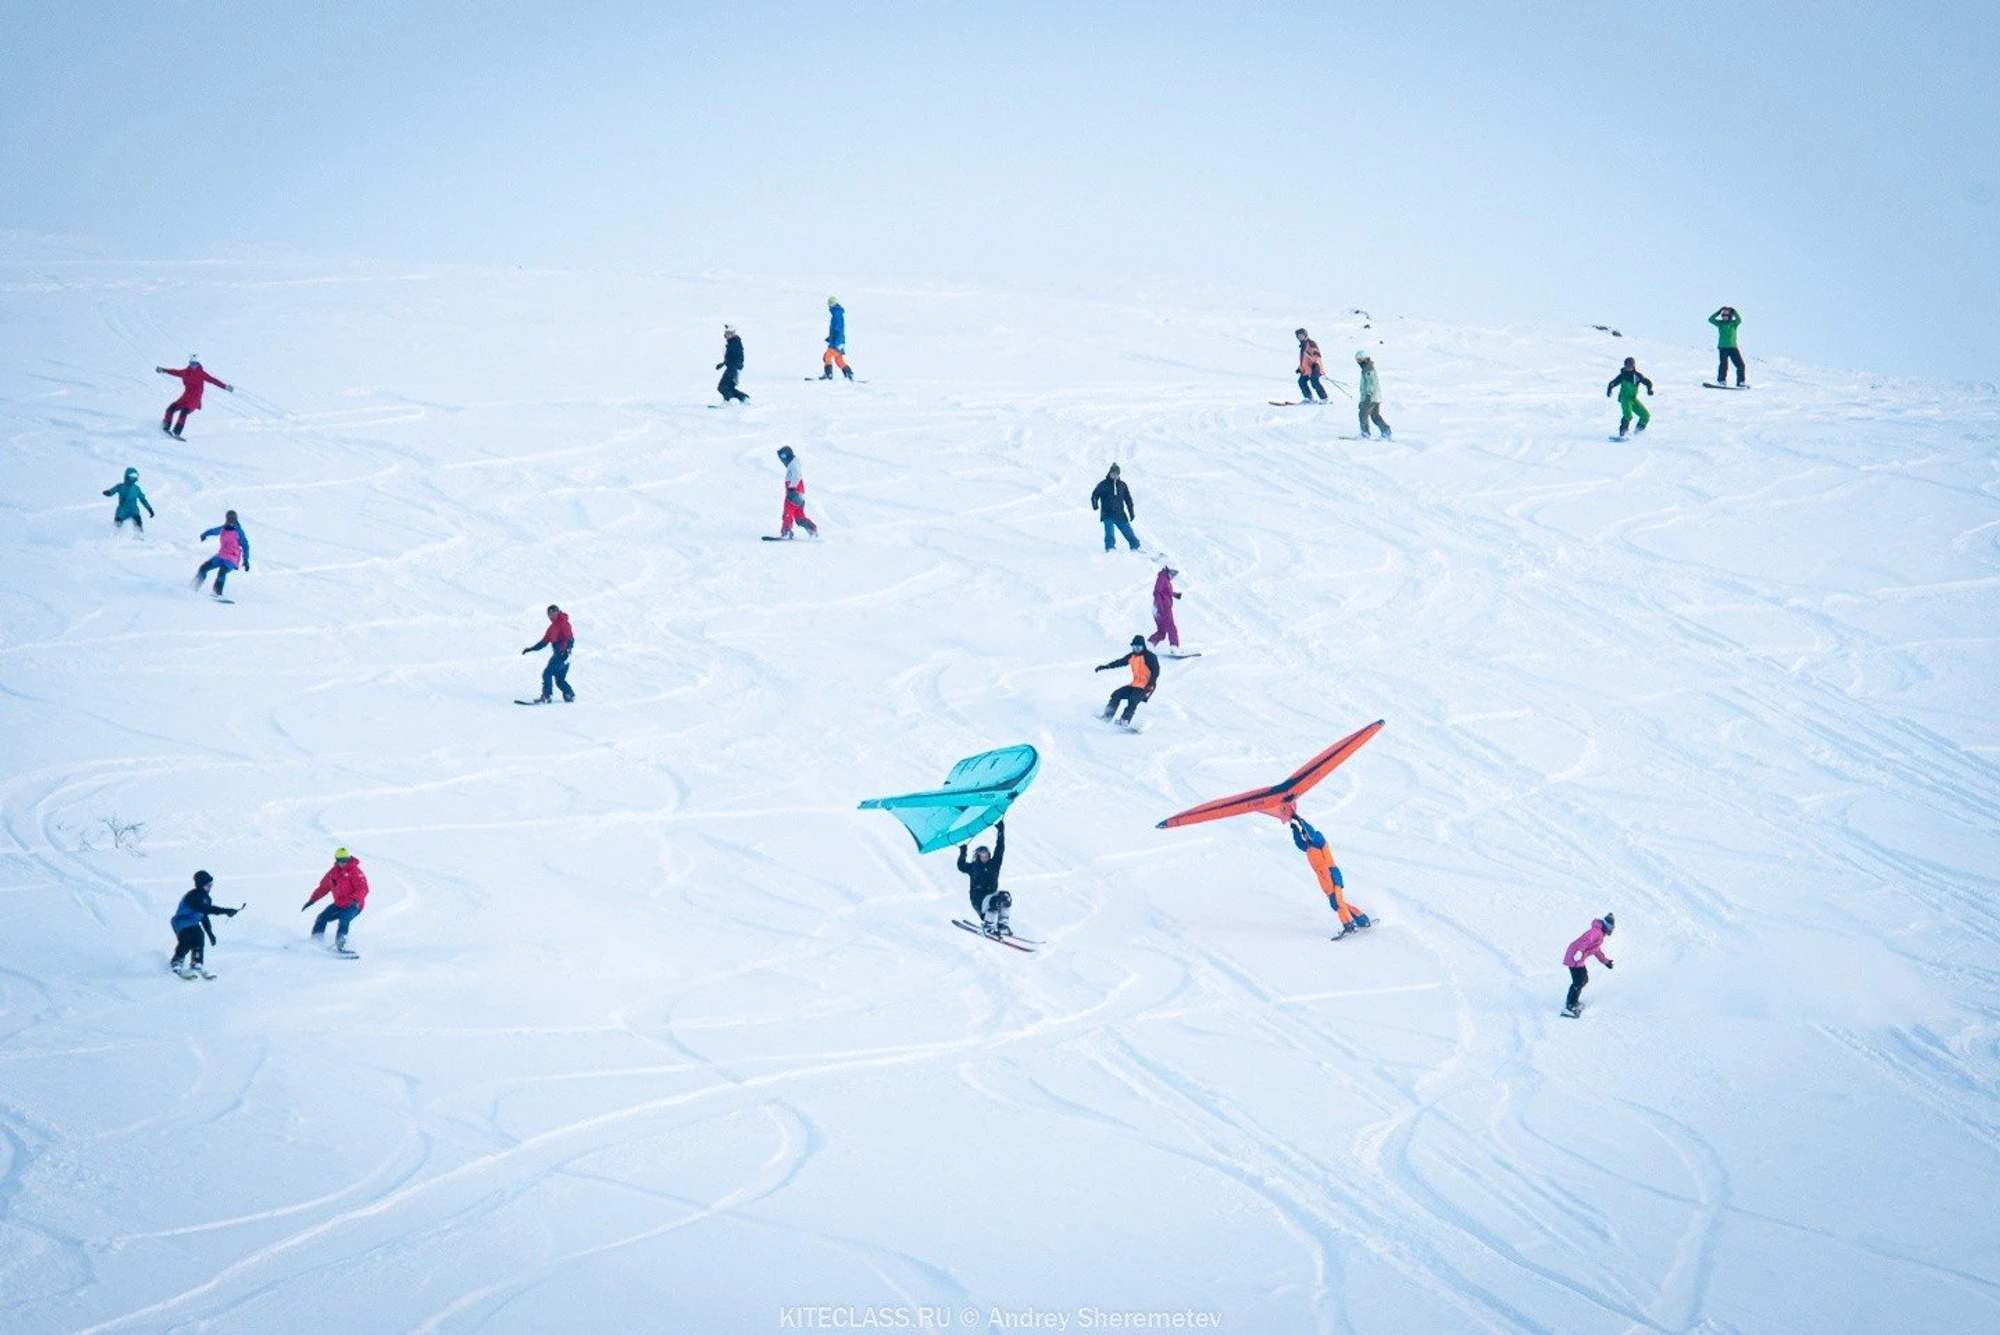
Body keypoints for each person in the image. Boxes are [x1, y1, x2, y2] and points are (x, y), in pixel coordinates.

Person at [1289, 816, 1370, 937]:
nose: (1305, 837)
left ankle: (1349, 925)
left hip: (1331, 874)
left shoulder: (1319, 841)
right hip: (1325, 880)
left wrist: (1301, 821)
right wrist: (1294, 828)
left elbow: (1312, 833)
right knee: (1337, 902)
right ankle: (1362, 920)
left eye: (1305, 834)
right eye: (1304, 835)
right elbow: (1299, 843)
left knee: (1337, 902)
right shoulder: (1309, 847)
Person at [170, 870, 239, 978]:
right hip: (181, 921)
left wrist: (210, 933)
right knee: (187, 938)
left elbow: (203, 916)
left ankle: (197, 963)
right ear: (200, 884)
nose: (210, 887)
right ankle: (177, 961)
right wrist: (226, 911)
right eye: (207, 885)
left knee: (199, 936)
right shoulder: (192, 895)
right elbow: (204, 909)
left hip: (193, 923)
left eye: (211, 885)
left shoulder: (207, 899)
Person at [302, 847, 370, 953]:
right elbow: (323, 887)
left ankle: (340, 946)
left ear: (348, 858)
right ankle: (316, 942)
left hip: (354, 905)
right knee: (322, 918)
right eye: (340, 860)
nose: (343, 863)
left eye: (345, 860)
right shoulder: (333, 872)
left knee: (344, 919)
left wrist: (355, 899)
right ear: (336, 860)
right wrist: (313, 899)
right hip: (339, 904)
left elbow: (363, 888)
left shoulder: (355, 872)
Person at [156, 356, 232, 437]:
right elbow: (175, 372)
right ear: (189, 363)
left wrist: (225, 386)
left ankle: (176, 433)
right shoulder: (185, 372)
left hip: (194, 400)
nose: (193, 366)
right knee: (170, 409)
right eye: (192, 363)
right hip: (185, 398)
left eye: (195, 364)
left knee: (183, 413)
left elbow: (213, 380)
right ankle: (165, 427)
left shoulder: (201, 374)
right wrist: (163, 370)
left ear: (198, 364)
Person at [957, 819, 1010, 934]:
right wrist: (963, 852)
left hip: (990, 896)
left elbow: (1000, 849)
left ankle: (1002, 925)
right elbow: (961, 866)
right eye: (982, 855)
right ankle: (989, 925)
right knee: (994, 900)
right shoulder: (974, 867)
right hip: (978, 899)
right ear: (977, 856)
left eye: (987, 854)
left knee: (1005, 897)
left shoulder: (994, 864)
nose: (985, 857)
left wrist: (1001, 831)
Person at [1094, 635, 1161, 725]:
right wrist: (1106, 666)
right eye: (1134, 647)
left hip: (1146, 685)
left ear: (1143, 646)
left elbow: (1156, 671)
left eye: (1138, 647)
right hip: (1135, 684)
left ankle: (1124, 720)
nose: (1136, 649)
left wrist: (1151, 684)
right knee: (1116, 694)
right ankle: (1107, 716)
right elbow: (1120, 662)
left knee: (1133, 699)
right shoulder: (1132, 656)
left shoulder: (1149, 656)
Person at [1562, 912, 1615, 1016]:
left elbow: (1596, 950)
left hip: (1579, 958)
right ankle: (1570, 1006)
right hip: (1574, 956)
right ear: (1604, 924)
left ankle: (1574, 1002)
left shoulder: (1600, 934)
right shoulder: (1596, 931)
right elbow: (1585, 940)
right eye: (1608, 925)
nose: (1610, 929)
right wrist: (1579, 951)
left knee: (1584, 980)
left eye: (1612, 927)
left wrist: (1606, 962)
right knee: (1578, 982)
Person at [521, 604, 576, 702]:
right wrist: (530, 649)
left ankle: (547, 696)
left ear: (558, 612)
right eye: (549, 614)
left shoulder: (563, 623)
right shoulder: (552, 628)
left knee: (547, 673)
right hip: (564, 656)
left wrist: (567, 651)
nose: (551, 615)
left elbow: (570, 638)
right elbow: (543, 643)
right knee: (559, 679)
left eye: (553, 612)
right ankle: (569, 694)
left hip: (562, 654)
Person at [192, 510, 249, 597]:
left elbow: (245, 546)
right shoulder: (223, 529)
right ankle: (193, 587)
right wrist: (204, 535)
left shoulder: (239, 531)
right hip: (221, 555)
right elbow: (213, 531)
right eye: (230, 519)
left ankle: (217, 593)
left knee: (222, 572)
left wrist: (246, 560)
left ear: (236, 520)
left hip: (232, 558)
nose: (231, 521)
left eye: (233, 519)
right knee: (203, 567)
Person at [1090, 464, 1140, 552]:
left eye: (1117, 474)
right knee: (1109, 532)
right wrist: (1095, 504)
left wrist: (1131, 512)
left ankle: (1135, 547)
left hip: (1120, 513)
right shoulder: (1103, 484)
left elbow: (1128, 500)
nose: (1115, 475)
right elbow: (1095, 494)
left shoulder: (1122, 485)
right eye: (1113, 473)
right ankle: (1110, 548)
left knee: (1128, 531)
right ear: (1110, 473)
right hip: (1107, 513)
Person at [775, 446, 820, 538]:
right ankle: (811, 528)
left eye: (783, 456)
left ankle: (786, 531)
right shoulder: (794, 463)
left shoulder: (793, 464)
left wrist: (792, 488)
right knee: (799, 516)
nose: (782, 459)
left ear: (789, 454)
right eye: (780, 457)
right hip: (798, 493)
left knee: (788, 511)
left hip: (794, 492)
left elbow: (797, 476)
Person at [1606, 358, 1654, 439]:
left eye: (1631, 365)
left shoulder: (1637, 376)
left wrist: (1649, 390)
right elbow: (1612, 383)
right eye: (1627, 365)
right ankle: (1623, 434)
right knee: (1628, 415)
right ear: (1625, 365)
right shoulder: (1623, 375)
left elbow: (1647, 382)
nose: (1629, 367)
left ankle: (1638, 433)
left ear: (1634, 365)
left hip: (1633, 399)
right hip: (1624, 398)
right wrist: (1609, 390)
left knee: (1645, 415)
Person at [103, 467, 155, 534]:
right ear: (127, 476)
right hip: (122, 510)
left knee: (138, 524)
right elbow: (113, 491)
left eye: (135, 476)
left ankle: (139, 537)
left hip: (134, 510)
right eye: (132, 476)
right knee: (117, 524)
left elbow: (143, 499)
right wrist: (108, 493)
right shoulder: (120, 486)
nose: (134, 478)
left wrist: (149, 509)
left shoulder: (136, 488)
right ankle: (115, 536)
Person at [1355, 350, 1392, 439]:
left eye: (1358, 360)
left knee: (1363, 415)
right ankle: (1386, 431)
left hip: (1370, 397)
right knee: (1375, 415)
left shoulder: (1367, 369)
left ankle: (1365, 433)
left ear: (1363, 359)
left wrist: (1368, 396)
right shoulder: (1367, 367)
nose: (1357, 362)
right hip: (1375, 397)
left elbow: (1371, 383)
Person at [1709, 306, 1747, 386]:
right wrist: (1718, 312)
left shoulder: (1734, 323)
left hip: (1733, 347)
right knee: (1724, 364)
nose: (1724, 317)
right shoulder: (1720, 323)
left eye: (1726, 316)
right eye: (1723, 316)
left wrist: (1734, 311)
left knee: (1740, 365)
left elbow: (1739, 319)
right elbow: (1711, 319)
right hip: (1723, 347)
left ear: (1730, 316)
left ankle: (1741, 382)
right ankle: (1721, 381)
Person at [821, 296, 854, 380]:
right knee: (838, 359)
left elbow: (838, 327)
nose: (828, 306)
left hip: (837, 341)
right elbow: (837, 328)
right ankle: (849, 373)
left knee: (827, 356)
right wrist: (831, 337)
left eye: (829, 304)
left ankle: (828, 375)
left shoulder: (836, 314)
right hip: (839, 340)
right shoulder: (837, 313)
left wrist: (835, 337)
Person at [1148, 565, 1182, 648]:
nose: (1174, 575)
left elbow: (1165, 591)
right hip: (1163, 608)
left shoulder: (1164, 578)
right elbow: (1157, 592)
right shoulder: (1163, 577)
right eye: (1174, 572)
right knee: (1171, 627)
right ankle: (1174, 647)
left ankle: (1148, 645)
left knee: (1162, 632)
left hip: (1157, 608)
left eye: (1175, 574)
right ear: (1169, 569)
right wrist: (1160, 608)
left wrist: (1175, 594)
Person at [1295, 329, 1329, 403]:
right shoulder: (1303, 346)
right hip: (1307, 368)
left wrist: (1312, 360)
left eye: (1302, 336)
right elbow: (1303, 359)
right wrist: (1299, 368)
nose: (1300, 337)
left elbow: (1317, 355)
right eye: (1298, 336)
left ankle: (1324, 398)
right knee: (1301, 381)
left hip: (1315, 366)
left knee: (1314, 382)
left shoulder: (1311, 343)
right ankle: (1308, 398)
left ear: (1305, 335)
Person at [716, 326, 748, 403]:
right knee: (728, 387)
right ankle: (744, 398)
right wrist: (723, 363)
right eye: (725, 333)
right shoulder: (732, 342)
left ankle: (729, 401)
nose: (726, 335)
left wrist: (735, 367)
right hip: (733, 367)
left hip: (733, 368)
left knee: (722, 387)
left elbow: (739, 357)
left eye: (728, 333)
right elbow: (731, 357)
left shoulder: (735, 342)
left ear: (733, 333)